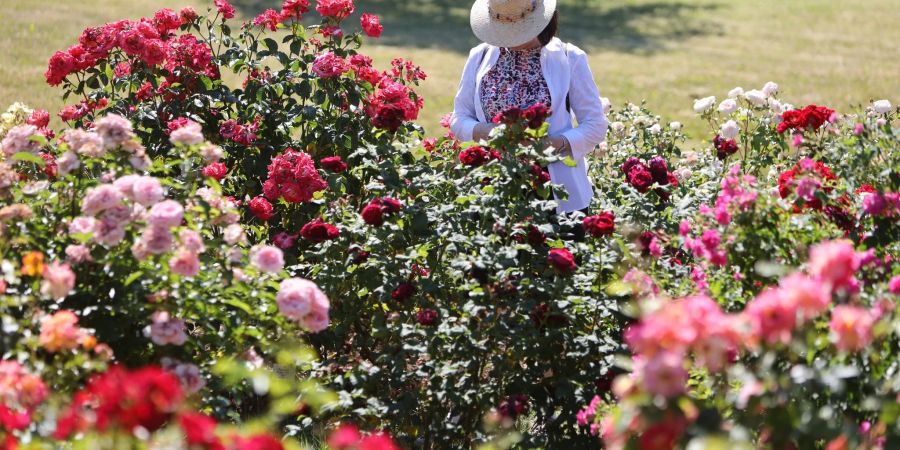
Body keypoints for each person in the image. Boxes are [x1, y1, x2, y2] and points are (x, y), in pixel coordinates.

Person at [451, 0, 609, 215]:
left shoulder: (569, 57)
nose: (509, 38)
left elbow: (595, 125)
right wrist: (486, 132)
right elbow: (459, 118)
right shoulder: (479, 57)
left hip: (557, 193)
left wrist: (550, 145)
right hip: (493, 188)